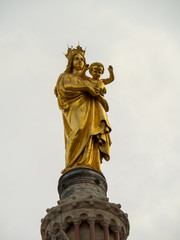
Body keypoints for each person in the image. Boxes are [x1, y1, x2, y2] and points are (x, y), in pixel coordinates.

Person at [54, 46, 112, 174]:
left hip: (90, 108)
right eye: (76, 59)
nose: (80, 61)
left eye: (82, 59)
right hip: (74, 107)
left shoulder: (88, 79)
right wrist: (86, 88)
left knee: (91, 135)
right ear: (71, 62)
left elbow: (101, 86)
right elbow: (64, 88)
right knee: (78, 130)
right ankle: (71, 164)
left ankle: (91, 163)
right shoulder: (65, 76)